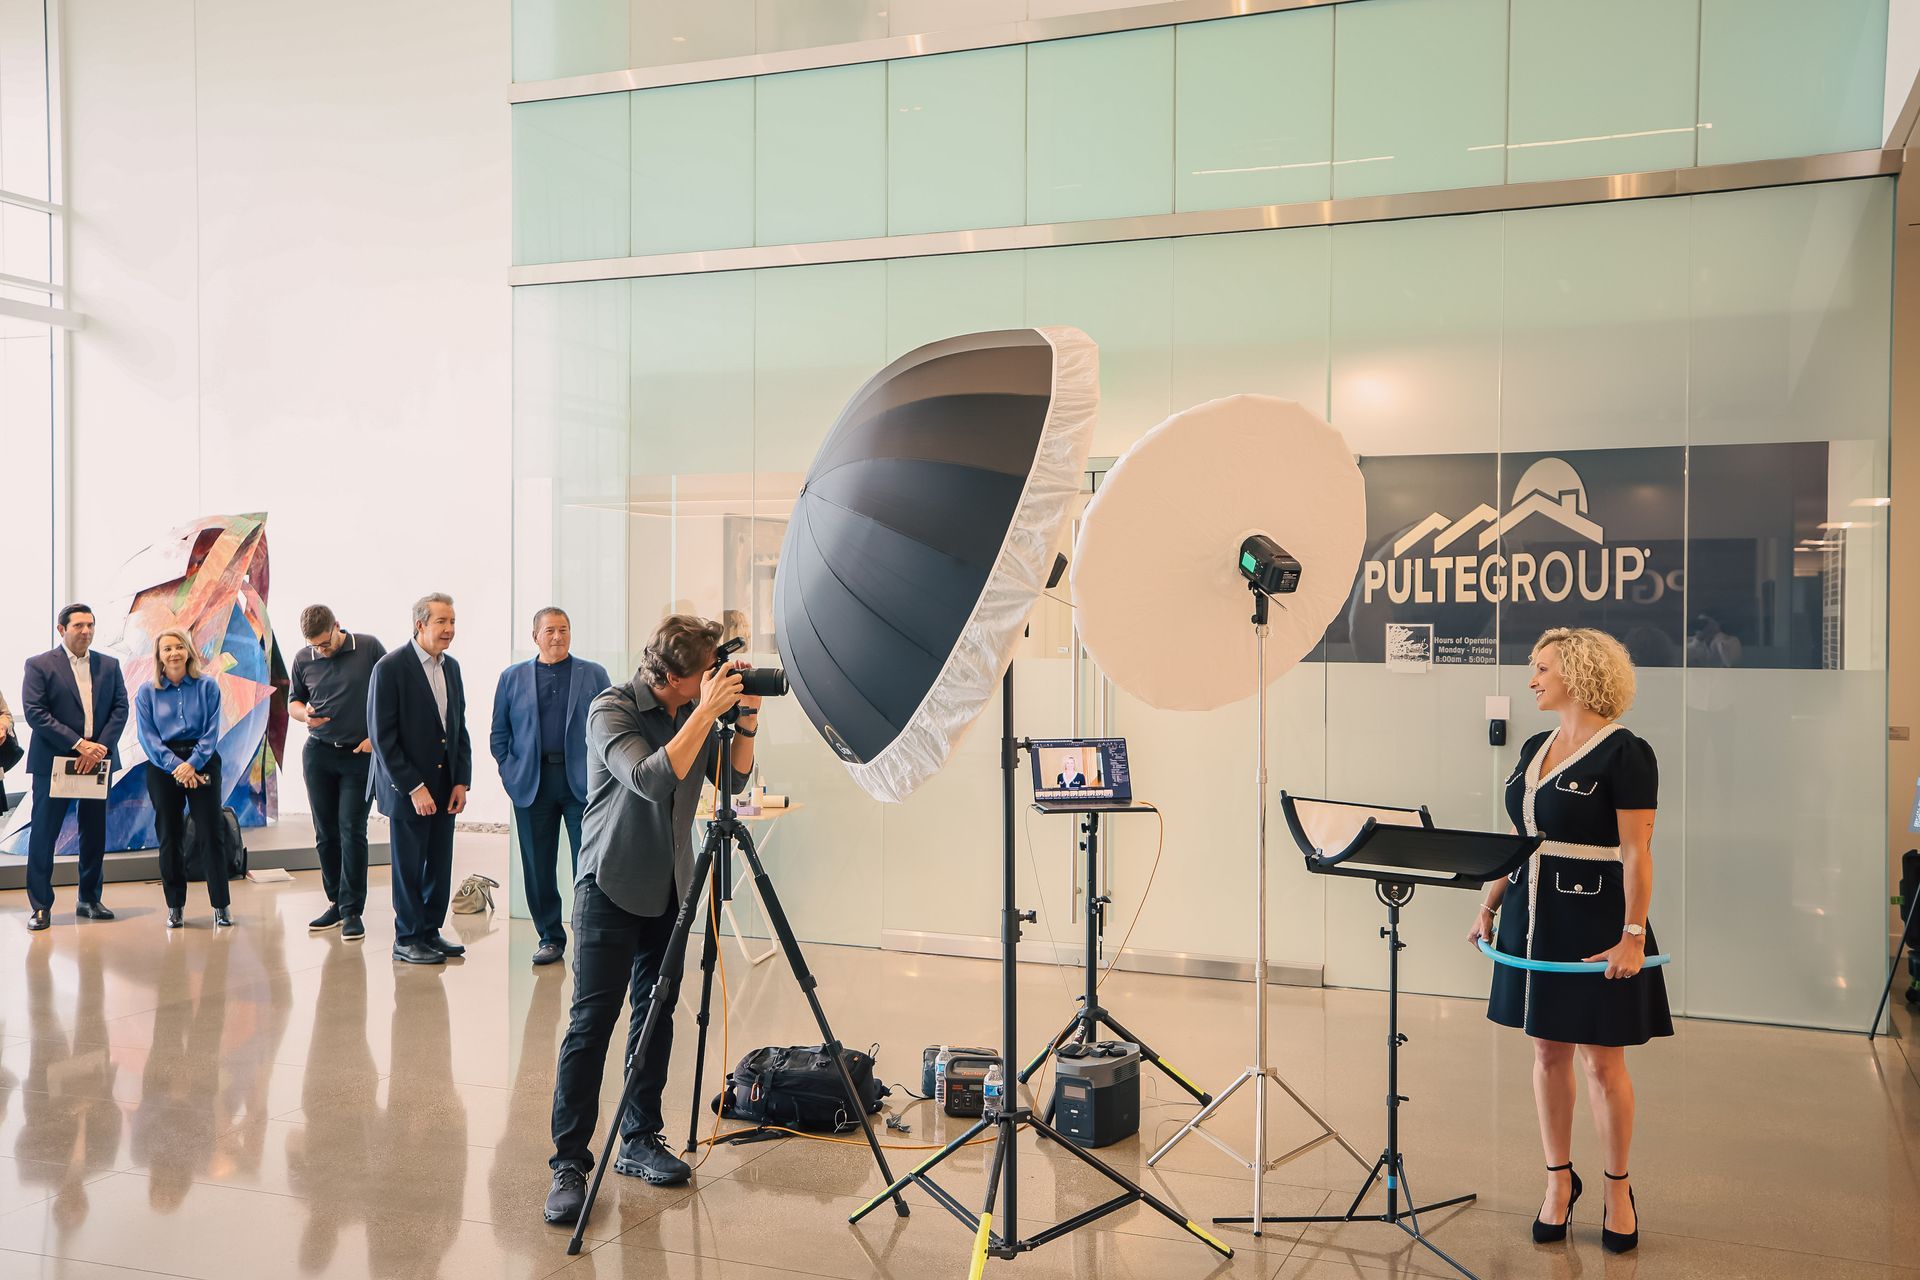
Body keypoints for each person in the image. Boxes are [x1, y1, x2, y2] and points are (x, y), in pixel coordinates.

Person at [543, 614, 760, 1225]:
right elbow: (648, 778)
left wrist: (742, 721)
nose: (713, 679)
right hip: (609, 884)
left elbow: (734, 777)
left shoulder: (696, 709)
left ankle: (639, 1138)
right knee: (592, 1023)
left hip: (670, 887)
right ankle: (568, 1163)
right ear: (670, 676)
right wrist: (704, 713)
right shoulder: (610, 709)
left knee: (656, 1011)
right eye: (703, 673)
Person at [1471, 627, 1670, 1256]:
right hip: (1532, 919)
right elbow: (1517, 837)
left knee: (1602, 1062)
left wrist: (1632, 936)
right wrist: (1490, 903)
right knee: (1547, 1054)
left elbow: (1638, 853)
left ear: (1579, 675)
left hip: (1595, 922)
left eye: (1541, 668)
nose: (1531, 679)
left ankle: (1617, 1188)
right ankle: (1559, 1181)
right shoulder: (1535, 746)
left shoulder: (1626, 754)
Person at [490, 607, 610, 968]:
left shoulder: (593, 674)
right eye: (550, 631)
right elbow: (499, 735)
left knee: (588, 864)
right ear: (535, 636)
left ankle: (590, 934)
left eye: (564, 630)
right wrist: (511, 774)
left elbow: (611, 725)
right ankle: (550, 937)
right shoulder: (512, 678)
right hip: (532, 784)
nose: (557, 637)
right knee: (538, 865)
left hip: (582, 785)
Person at [368, 593, 472, 966]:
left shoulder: (452, 668)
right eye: (442, 622)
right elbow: (383, 737)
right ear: (420, 625)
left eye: (453, 622)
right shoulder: (390, 667)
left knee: (439, 865)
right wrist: (414, 786)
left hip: (446, 789)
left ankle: (429, 930)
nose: (449, 630)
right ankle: (407, 937)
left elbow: (458, 728)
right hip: (409, 790)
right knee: (409, 866)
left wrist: (462, 781)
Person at [20, 604, 130, 931]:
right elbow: (36, 711)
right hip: (55, 761)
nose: (86, 631)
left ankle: (89, 899)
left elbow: (120, 708)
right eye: (79, 625)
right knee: (44, 834)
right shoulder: (39, 665)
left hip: (97, 762)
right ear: (61, 629)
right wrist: (78, 744)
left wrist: (99, 748)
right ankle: (41, 906)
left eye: (91, 625)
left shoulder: (109, 666)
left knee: (94, 833)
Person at [288, 605, 386, 941]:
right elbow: (293, 702)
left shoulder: (369, 648)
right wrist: (306, 715)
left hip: (358, 756)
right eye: (315, 645)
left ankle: (352, 910)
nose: (322, 651)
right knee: (325, 832)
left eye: (326, 644)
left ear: (338, 627)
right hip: (318, 754)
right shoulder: (303, 658)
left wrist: (379, 736)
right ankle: (335, 902)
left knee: (351, 829)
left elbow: (392, 693)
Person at [133, 628, 230, 928]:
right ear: (159, 656)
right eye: (167, 649)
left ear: (188, 651)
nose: (173, 653)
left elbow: (212, 732)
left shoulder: (208, 686)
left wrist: (193, 764)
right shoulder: (146, 692)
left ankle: (221, 906)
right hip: (164, 767)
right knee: (169, 835)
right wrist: (178, 766)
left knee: (210, 833)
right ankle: (175, 906)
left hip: (202, 761)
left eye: (179, 647)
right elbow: (148, 738)